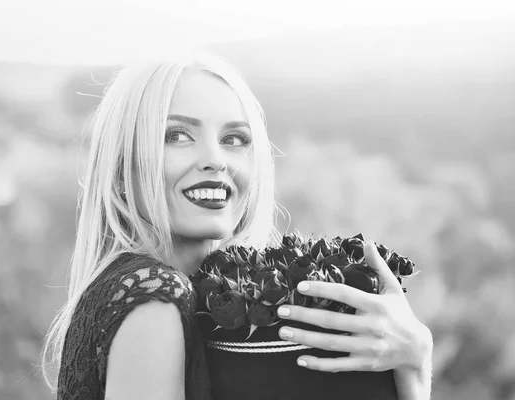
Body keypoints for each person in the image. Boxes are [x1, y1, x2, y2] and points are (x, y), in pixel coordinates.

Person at [41, 50, 433, 400]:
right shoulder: (154, 296)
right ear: (121, 165)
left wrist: (414, 363)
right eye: (176, 135)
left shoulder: (179, 294)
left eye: (234, 138)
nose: (216, 159)